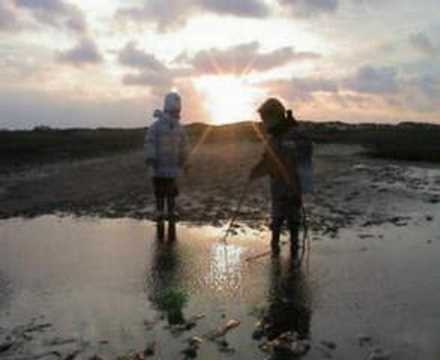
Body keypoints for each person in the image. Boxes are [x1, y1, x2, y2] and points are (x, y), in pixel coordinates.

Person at [249, 98, 313, 256]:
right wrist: (255, 171)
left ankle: (294, 249)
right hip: (277, 186)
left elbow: (306, 154)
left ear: (276, 116)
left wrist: (290, 156)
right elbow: (267, 159)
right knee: (277, 218)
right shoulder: (274, 137)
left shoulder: (296, 133)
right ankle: (275, 249)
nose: (263, 123)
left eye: (265, 119)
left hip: (294, 186)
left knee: (293, 220)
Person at [144, 92, 189, 224]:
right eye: (175, 110)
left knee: (171, 192)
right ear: (168, 109)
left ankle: (170, 211)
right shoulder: (156, 127)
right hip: (158, 167)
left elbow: (184, 145)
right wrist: (150, 162)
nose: (177, 113)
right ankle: (159, 211)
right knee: (159, 191)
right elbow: (150, 143)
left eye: (178, 111)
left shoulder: (179, 128)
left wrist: (184, 161)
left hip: (173, 167)